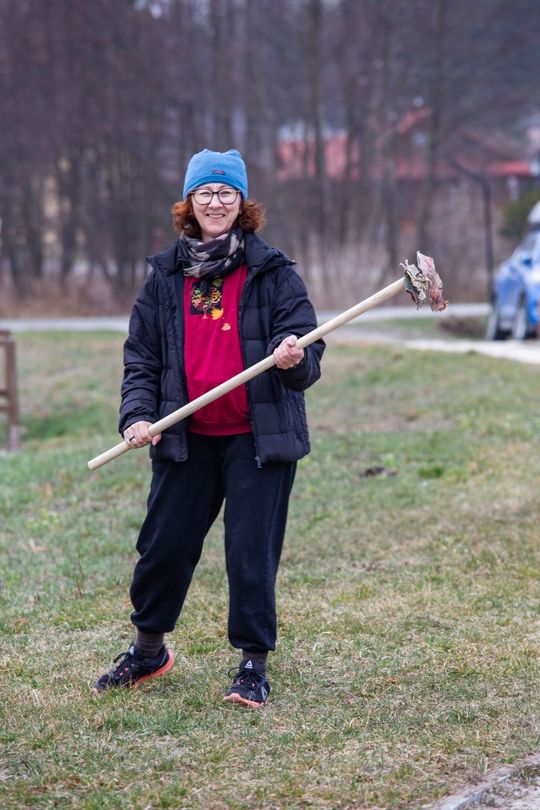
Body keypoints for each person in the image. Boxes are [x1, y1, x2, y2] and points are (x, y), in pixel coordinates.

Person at [92, 148, 325, 707]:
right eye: (205, 193)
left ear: (242, 202)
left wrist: (294, 360)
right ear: (189, 203)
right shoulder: (164, 276)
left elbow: (310, 360)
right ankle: (149, 651)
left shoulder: (273, 272)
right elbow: (142, 358)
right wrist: (138, 416)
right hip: (185, 438)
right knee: (163, 547)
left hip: (256, 439)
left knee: (250, 553)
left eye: (226, 193)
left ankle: (252, 664)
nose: (215, 202)